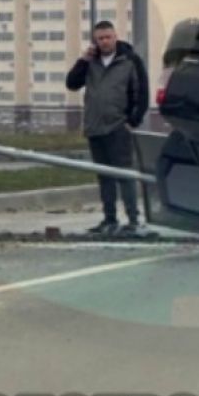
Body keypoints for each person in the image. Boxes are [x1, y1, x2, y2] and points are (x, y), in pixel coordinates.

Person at [65, 20, 149, 236]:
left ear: (115, 36)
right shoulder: (91, 62)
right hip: (95, 127)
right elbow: (72, 84)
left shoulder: (130, 60)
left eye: (108, 37)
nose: (104, 42)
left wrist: (132, 121)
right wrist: (83, 60)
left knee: (124, 174)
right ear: (95, 40)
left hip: (118, 127)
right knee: (104, 177)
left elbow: (141, 93)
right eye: (100, 38)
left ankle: (133, 219)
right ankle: (109, 219)